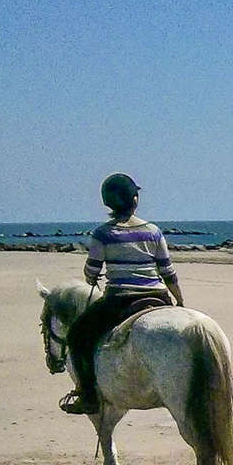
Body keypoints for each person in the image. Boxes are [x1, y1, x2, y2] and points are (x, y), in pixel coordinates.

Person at [59, 174, 184, 415]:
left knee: (76, 337)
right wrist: (179, 299)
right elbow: (168, 272)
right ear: (135, 200)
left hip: (119, 301)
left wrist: (91, 275)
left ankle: (88, 395)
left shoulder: (103, 234)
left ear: (108, 203)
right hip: (157, 297)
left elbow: (92, 271)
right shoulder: (154, 231)